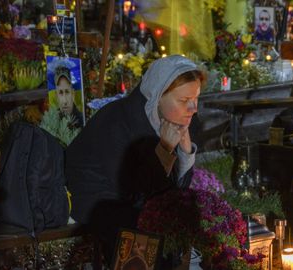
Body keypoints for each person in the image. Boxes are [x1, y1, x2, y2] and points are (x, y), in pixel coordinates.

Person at [65, 55, 204, 261]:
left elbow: (174, 192)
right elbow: (138, 193)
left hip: (135, 203)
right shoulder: (118, 122)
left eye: (196, 98)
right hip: (99, 202)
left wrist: (185, 155)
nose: (193, 108)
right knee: (149, 230)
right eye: (184, 100)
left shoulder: (180, 122)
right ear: (157, 96)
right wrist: (164, 150)